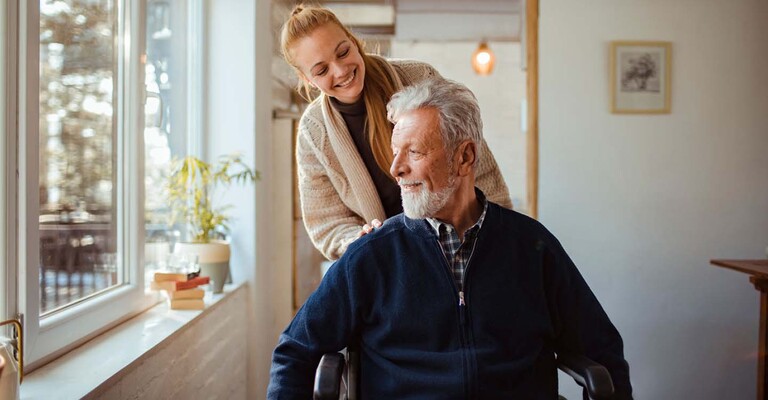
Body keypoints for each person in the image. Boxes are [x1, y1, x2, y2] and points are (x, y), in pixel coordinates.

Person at [267, 79, 632, 399]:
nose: (396, 169)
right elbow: (295, 351)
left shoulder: (532, 247)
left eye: (414, 152)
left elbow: (601, 349)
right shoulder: (372, 254)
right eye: (396, 152)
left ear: (465, 157)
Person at [280, 5, 512, 260]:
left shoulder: (420, 77)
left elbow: (477, 165)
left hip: (460, 243)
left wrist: (499, 232)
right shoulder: (313, 133)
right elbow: (327, 223)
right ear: (307, 79)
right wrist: (356, 239)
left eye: (343, 52)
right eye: (321, 70)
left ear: (354, 41)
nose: (340, 70)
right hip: (389, 261)